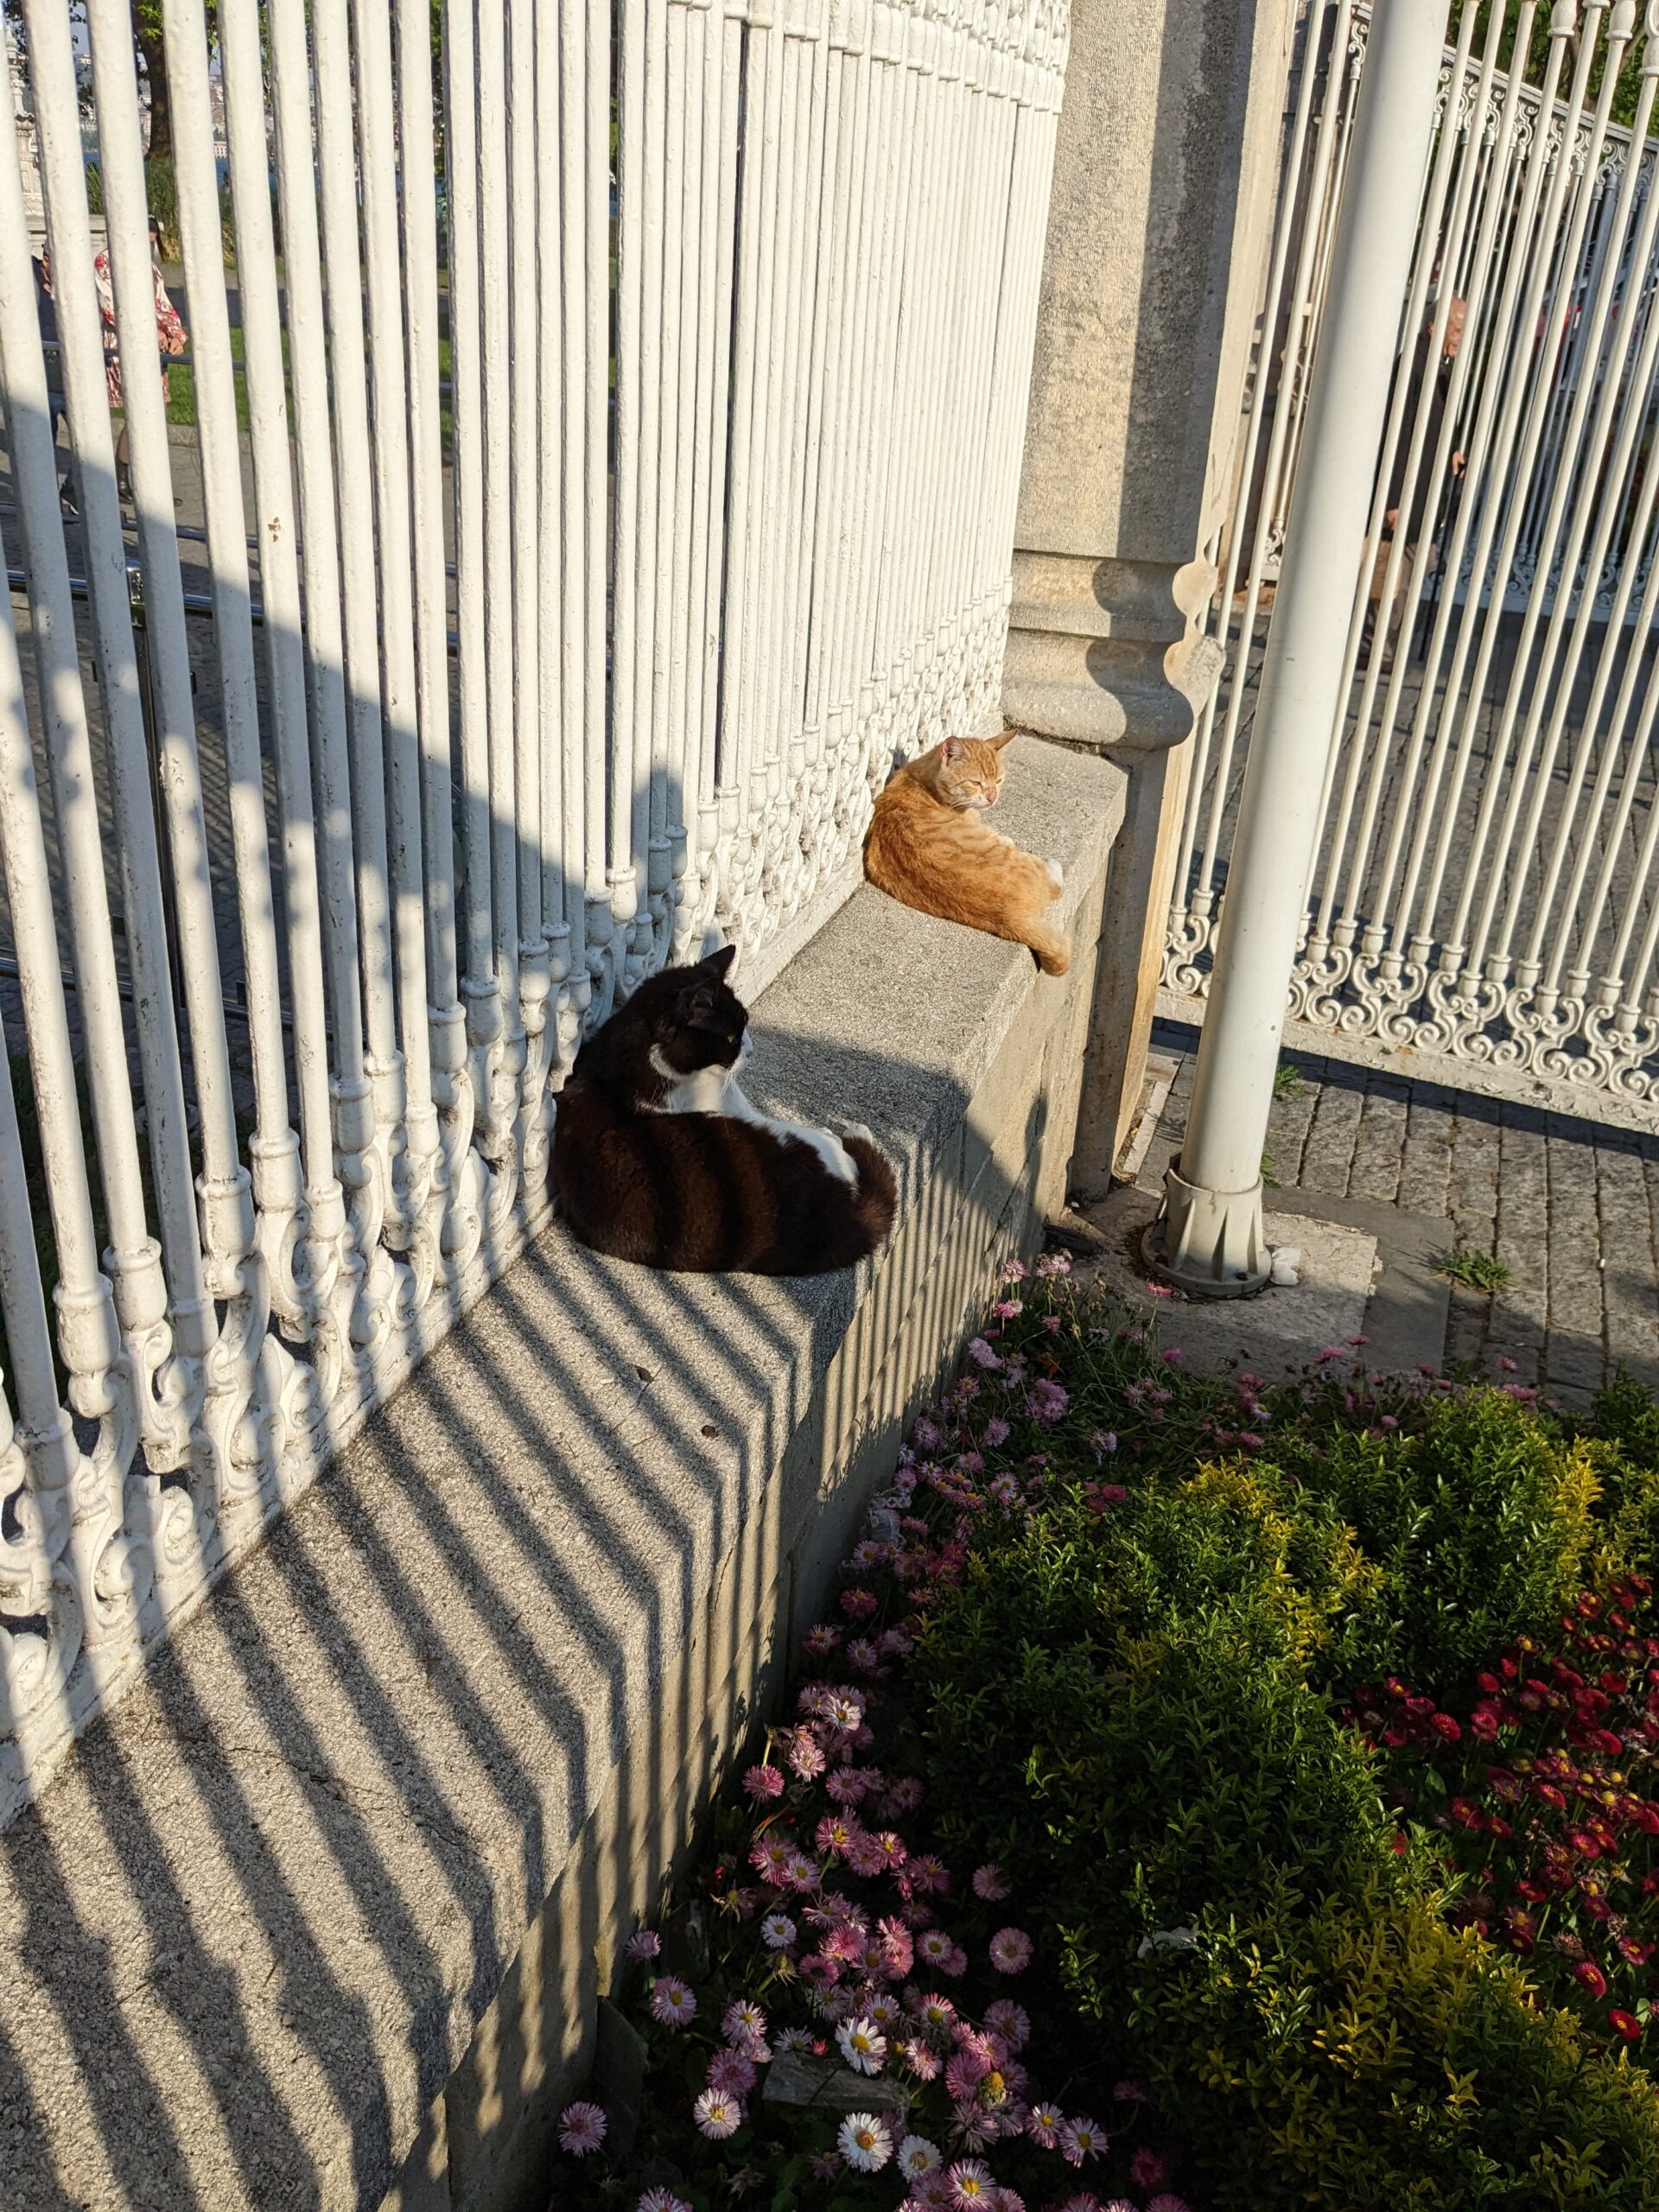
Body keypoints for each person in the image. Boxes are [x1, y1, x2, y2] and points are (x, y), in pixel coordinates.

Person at [1368, 293, 1467, 661]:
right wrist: (1392, 499)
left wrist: (1453, 449)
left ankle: (1378, 640)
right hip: (1406, 494)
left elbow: (1434, 425)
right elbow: (1397, 434)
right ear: (1433, 327)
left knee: (1416, 563)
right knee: (1396, 570)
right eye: (1457, 329)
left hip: (1423, 493)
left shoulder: (1436, 367)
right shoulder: (1414, 366)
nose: (1461, 338)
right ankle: (1372, 642)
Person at [93, 215, 187, 501]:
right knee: (138, 412)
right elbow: (110, 307)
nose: (147, 248)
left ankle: (150, 480)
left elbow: (163, 304)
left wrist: (175, 334)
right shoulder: (105, 262)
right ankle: (122, 476)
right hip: (122, 344)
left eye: (152, 243)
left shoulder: (151, 269)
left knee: (153, 413)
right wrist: (150, 330)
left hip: (153, 346)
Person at [29, 244, 76, 516]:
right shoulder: (30, 278)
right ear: (46, 261)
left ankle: (71, 490)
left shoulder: (71, 287)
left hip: (71, 375)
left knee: (93, 442)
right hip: (41, 376)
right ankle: (46, 503)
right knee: (43, 445)